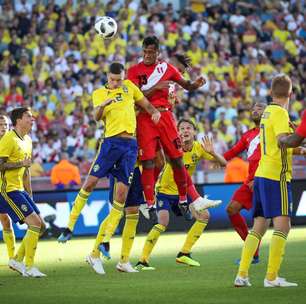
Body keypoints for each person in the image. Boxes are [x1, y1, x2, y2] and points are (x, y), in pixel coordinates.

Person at [58, 62, 161, 275]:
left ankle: (106, 244)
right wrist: (103, 104)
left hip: (130, 146)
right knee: (91, 182)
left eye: (119, 79)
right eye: (113, 79)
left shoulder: (129, 88)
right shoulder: (99, 93)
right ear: (107, 77)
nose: (116, 82)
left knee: (122, 197)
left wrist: (154, 113)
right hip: (111, 143)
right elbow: (96, 117)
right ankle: (69, 226)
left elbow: (146, 104)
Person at [127, 36, 220, 213]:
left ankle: (184, 199)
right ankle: (149, 202)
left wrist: (196, 84)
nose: (147, 55)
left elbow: (187, 85)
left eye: (151, 52)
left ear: (158, 52)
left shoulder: (167, 69)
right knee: (150, 162)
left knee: (176, 159)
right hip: (145, 117)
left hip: (166, 118)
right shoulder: (133, 71)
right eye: (145, 51)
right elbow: (135, 96)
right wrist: (156, 88)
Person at [135, 119, 226, 270]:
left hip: (184, 191)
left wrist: (213, 153)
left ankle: (184, 253)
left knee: (204, 216)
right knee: (162, 222)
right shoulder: (172, 146)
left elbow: (224, 164)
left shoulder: (199, 148)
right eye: (182, 128)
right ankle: (143, 260)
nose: (185, 131)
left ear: (194, 132)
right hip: (165, 190)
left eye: (188, 128)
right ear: (177, 132)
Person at [234, 75, 298, 287]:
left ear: (271, 92)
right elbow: (282, 141)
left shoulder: (267, 112)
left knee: (259, 226)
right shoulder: (280, 112)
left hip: (261, 174)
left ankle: (242, 275)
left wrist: (299, 147)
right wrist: (299, 138)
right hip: (275, 175)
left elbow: (275, 143)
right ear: (290, 94)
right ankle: (271, 277)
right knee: (284, 225)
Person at [0, 107, 46, 277]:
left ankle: (16, 260)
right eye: (28, 116)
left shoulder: (27, 140)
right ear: (18, 120)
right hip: (7, 190)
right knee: (34, 224)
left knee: (41, 225)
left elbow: (26, 171)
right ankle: (29, 266)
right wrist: (20, 164)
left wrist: (30, 194)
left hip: (20, 189)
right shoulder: (8, 139)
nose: (32, 119)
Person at [224, 102, 266, 264]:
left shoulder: (272, 132)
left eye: (259, 108)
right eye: (253, 108)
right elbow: (233, 151)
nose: (255, 110)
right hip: (249, 182)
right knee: (231, 209)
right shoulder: (248, 135)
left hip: (264, 180)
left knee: (261, 219)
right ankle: (253, 250)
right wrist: (214, 157)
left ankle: (253, 253)